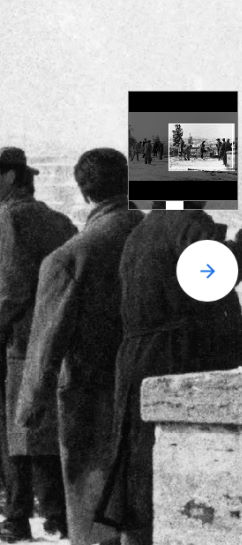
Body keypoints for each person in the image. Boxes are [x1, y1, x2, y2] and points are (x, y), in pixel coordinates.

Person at [95, 203, 242, 545]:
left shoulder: (148, 228)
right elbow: (209, 276)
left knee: (139, 465)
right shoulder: (188, 223)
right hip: (174, 356)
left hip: (144, 357)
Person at [16, 149, 143, 545]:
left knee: (92, 507)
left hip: (91, 395)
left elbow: (46, 341)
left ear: (84, 192)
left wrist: (30, 405)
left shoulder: (69, 256)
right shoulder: (157, 237)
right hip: (148, 385)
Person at [0, 147, 76, 542]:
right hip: (51, 336)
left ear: (10, 177)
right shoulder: (55, 220)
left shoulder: (9, 218)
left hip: (14, 339)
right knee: (42, 428)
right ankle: (58, 514)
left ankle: (16, 516)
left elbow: (9, 290)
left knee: (10, 433)